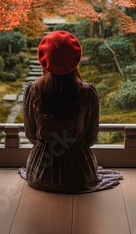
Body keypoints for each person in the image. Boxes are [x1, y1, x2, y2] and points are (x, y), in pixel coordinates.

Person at [18, 30, 123, 193]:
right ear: (75, 60)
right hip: (78, 172)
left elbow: (31, 134)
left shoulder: (33, 90)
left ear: (43, 60)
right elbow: (91, 136)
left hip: (39, 172)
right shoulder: (86, 92)